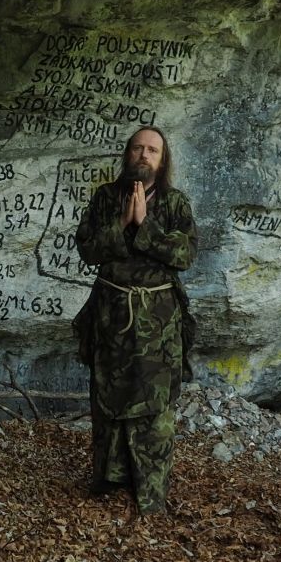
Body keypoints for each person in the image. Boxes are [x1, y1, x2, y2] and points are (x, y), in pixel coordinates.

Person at [72, 126, 197, 515]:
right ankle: (109, 479)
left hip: (158, 321)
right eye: (138, 148)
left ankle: (150, 493)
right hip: (111, 313)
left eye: (153, 150)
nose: (144, 155)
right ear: (128, 154)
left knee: (155, 404)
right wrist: (122, 223)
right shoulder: (106, 198)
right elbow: (88, 249)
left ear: (162, 160)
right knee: (108, 395)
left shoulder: (175, 203)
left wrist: (145, 224)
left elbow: (185, 255)